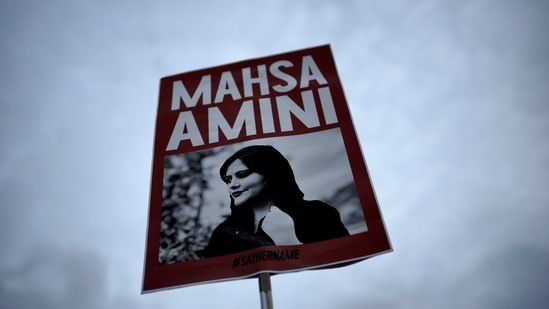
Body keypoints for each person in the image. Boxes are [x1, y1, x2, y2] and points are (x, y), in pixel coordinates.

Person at [201, 145, 349, 258]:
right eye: (228, 179)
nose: (232, 184)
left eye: (242, 175)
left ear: (269, 174)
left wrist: (290, 242)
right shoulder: (224, 232)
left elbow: (342, 265)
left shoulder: (318, 213)